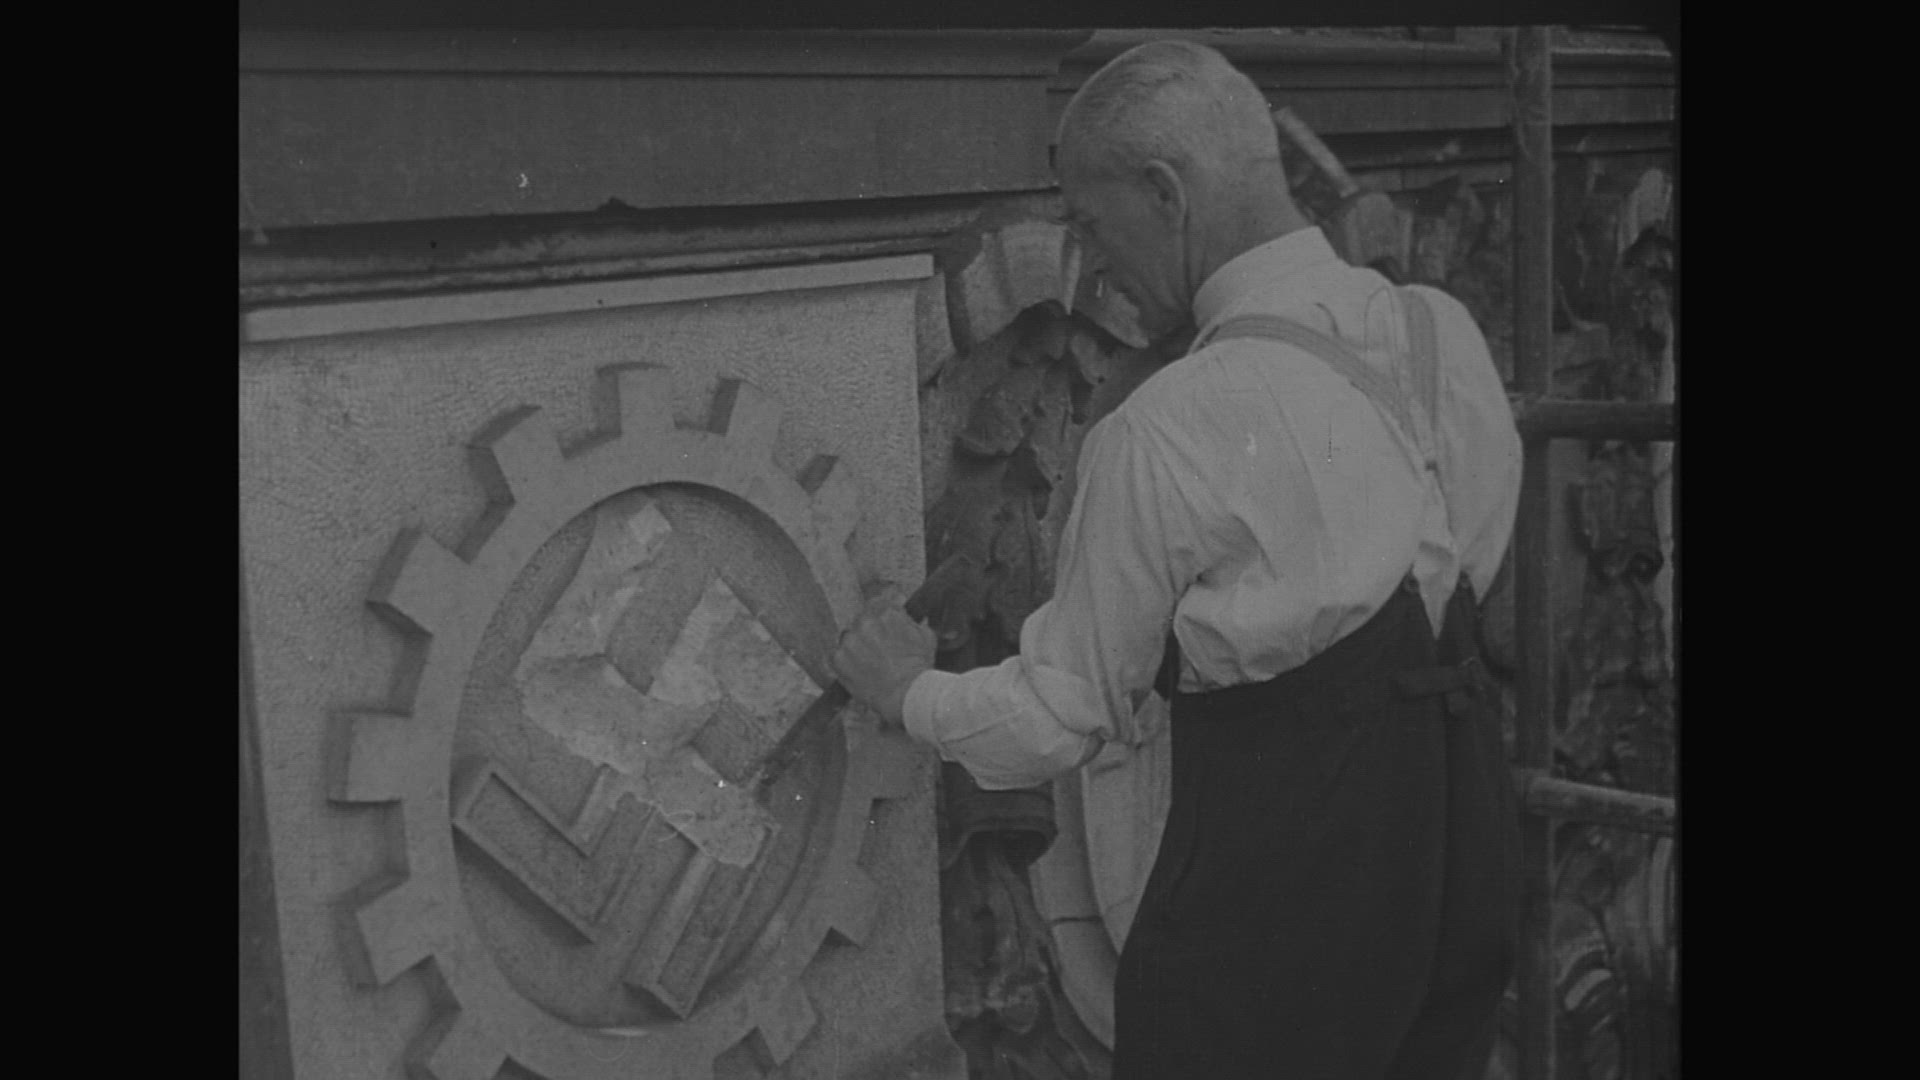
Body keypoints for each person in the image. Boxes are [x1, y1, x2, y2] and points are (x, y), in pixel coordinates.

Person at [833, 40, 1522, 1080]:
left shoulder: (1170, 425)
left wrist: (907, 692)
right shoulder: (1437, 332)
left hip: (1281, 911)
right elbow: (1472, 566)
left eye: (1090, 222)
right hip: (1460, 869)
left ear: (1165, 192)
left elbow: (1065, 714)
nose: (1091, 264)